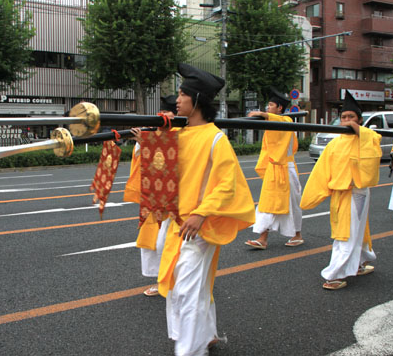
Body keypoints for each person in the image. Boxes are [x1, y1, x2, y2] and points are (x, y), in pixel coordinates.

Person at [157, 64, 256, 355]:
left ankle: (190, 350)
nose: (177, 99)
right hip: (178, 223)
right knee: (187, 285)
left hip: (199, 225)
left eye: (182, 94)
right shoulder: (179, 133)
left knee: (187, 288)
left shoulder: (216, 138)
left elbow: (228, 185)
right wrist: (148, 143)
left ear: (196, 99)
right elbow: (164, 172)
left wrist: (201, 212)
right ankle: (206, 334)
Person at [300, 90, 381, 290]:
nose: (346, 120)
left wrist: (359, 130)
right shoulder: (335, 144)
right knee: (346, 234)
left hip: (360, 191)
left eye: (351, 117)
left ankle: (360, 263)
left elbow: (374, 145)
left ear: (359, 120)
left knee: (359, 231)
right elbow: (321, 171)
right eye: (343, 117)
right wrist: (314, 195)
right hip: (342, 193)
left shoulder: (367, 137)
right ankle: (333, 275)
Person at [124, 95, 178, 297]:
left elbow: (166, 163)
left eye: (168, 111)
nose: (163, 115)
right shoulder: (155, 131)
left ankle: (175, 279)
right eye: (162, 111)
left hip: (175, 198)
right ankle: (161, 280)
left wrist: (148, 144)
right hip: (155, 197)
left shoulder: (182, 133)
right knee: (154, 242)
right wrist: (143, 142)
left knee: (168, 242)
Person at [245, 87, 303, 250]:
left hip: (287, 168)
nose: (267, 108)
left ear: (279, 109)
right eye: (267, 106)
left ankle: (297, 234)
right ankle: (263, 238)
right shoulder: (271, 122)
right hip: (273, 167)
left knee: (293, 203)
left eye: (271, 105)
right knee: (268, 202)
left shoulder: (286, 121)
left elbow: (283, 122)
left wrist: (264, 115)